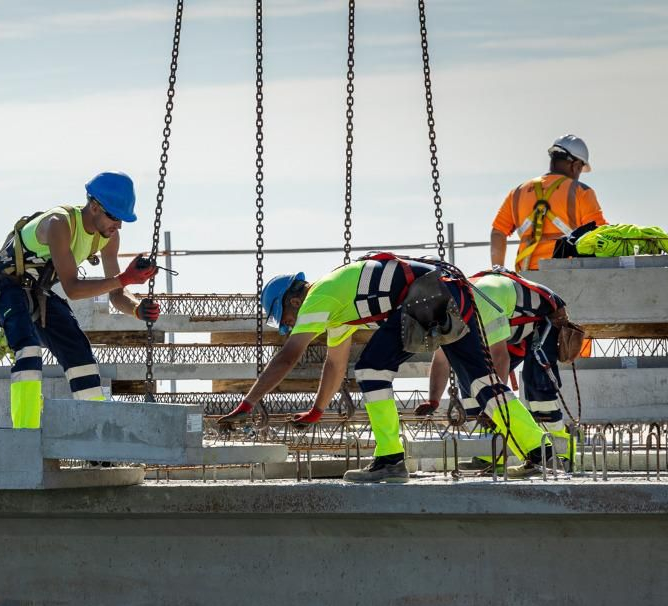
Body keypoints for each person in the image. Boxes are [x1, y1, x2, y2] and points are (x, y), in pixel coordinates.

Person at [217, 254, 556, 483]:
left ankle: (390, 458)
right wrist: (317, 410)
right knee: (482, 382)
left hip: (429, 294)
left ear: (294, 301)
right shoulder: (337, 308)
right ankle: (540, 451)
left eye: (287, 320)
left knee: (371, 370)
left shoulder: (318, 298)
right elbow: (335, 364)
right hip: (448, 291)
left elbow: (288, 357)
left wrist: (247, 403)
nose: (291, 326)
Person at [0, 172, 160, 429]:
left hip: (37, 291)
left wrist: (138, 308)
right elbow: (72, 288)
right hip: (5, 287)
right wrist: (124, 278)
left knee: (78, 351)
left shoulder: (108, 238)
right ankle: (25, 433)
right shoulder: (59, 223)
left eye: (122, 220)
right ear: (94, 207)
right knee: (28, 349)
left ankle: (96, 434)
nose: (118, 226)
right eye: (114, 217)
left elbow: (117, 294)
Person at [416, 269, 589, 472]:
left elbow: (500, 358)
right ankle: (489, 453)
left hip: (541, 320)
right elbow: (441, 361)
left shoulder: (482, 304)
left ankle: (560, 455)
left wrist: (494, 402)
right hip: (511, 326)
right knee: (471, 383)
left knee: (538, 386)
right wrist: (433, 400)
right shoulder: (446, 316)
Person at [490, 135, 607, 273]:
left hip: (527, 275)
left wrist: (498, 270)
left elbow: (498, 232)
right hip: (568, 273)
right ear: (575, 166)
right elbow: (600, 234)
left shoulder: (517, 192)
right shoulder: (581, 191)